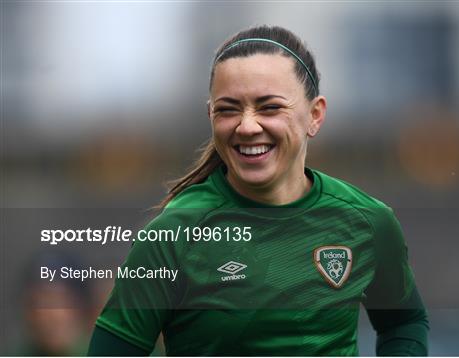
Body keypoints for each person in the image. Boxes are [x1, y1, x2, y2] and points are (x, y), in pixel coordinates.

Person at [88, 25, 429, 356]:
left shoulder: (368, 221)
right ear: (210, 115)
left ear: (315, 115)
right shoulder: (172, 235)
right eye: (228, 109)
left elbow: (404, 322)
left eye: (269, 107)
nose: (247, 126)